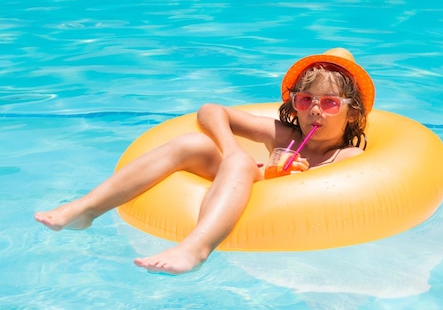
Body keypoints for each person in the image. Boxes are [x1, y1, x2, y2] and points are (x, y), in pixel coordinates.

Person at [34, 48, 375, 274]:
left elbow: (316, 201)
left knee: (242, 166)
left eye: (329, 103)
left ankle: (195, 248)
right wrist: (230, 151)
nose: (314, 110)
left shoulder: (347, 157)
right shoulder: (285, 135)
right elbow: (210, 110)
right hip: (243, 179)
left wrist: (270, 175)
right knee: (193, 143)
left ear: (352, 112)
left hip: (275, 209)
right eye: (305, 100)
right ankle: (87, 209)